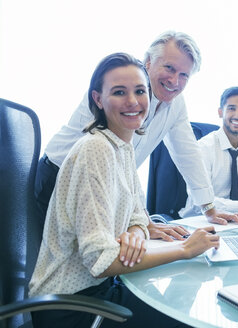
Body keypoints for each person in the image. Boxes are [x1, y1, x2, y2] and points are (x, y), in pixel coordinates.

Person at [29, 53, 219, 328]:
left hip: (101, 291)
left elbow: (138, 216)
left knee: (180, 304)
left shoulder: (123, 146)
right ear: (97, 99)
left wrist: (135, 233)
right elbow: (101, 259)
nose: (133, 101)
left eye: (140, 91)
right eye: (119, 92)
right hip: (73, 307)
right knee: (188, 321)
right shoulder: (95, 149)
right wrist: (184, 248)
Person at [34, 31, 238, 237]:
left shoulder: (175, 103)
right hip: (60, 178)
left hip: (103, 187)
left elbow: (187, 153)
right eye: (169, 68)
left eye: (184, 75)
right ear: (148, 62)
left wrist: (208, 207)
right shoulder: (120, 92)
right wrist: (144, 221)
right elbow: (118, 159)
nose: (175, 81)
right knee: (77, 260)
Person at [180, 87, 238, 217]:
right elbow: (199, 201)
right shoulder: (203, 148)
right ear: (220, 112)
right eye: (231, 108)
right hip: (202, 222)